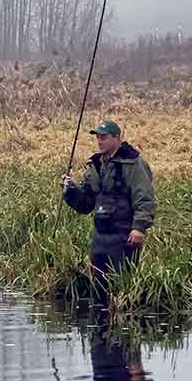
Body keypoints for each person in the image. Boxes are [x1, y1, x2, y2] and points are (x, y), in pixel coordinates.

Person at [61, 119, 156, 302]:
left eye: (103, 137)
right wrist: (71, 191)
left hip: (124, 237)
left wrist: (139, 228)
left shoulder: (133, 164)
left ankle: (122, 323)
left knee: (122, 288)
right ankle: (99, 326)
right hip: (100, 238)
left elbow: (145, 198)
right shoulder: (95, 165)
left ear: (117, 138)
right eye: (98, 137)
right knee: (99, 290)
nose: (99, 141)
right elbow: (86, 204)